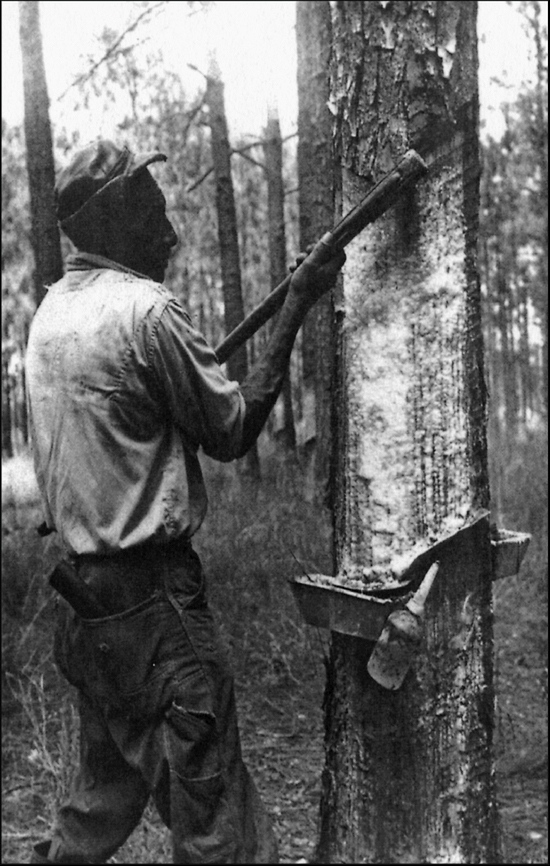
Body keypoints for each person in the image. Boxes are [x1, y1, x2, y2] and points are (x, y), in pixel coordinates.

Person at [25, 140, 345, 865]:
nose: (164, 226)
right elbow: (231, 431)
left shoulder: (51, 315)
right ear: (111, 221)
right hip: (155, 614)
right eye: (147, 208)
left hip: (88, 609)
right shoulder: (146, 311)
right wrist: (296, 303)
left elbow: (129, 422)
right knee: (217, 827)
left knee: (97, 806)